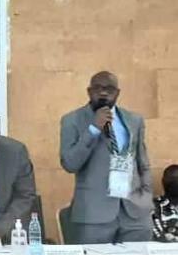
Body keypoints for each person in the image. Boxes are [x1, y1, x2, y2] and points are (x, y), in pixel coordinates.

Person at [60, 71, 153, 244]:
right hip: (94, 214)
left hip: (134, 213)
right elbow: (70, 163)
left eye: (109, 89)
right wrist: (93, 129)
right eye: (98, 88)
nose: (103, 93)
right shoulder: (72, 120)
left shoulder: (134, 120)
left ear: (117, 93)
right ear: (89, 92)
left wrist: (146, 195)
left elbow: (143, 163)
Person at [152, 165, 178, 242]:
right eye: (171, 179)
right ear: (163, 181)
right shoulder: (154, 205)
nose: (173, 182)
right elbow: (157, 234)